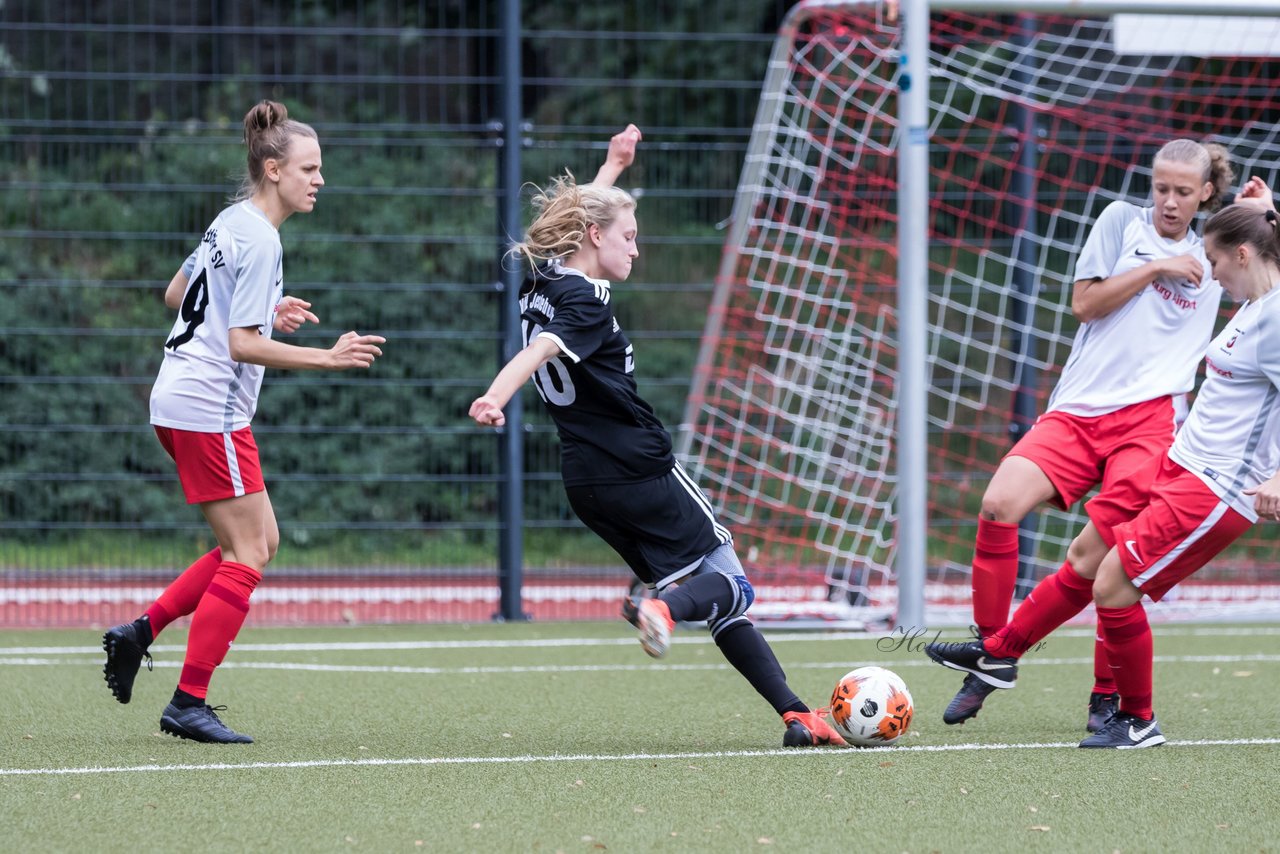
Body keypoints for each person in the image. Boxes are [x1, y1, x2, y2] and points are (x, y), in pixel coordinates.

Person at [469, 126, 847, 747]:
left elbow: (578, 217)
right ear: (596, 238)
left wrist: (612, 167)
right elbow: (540, 352)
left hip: (586, 481)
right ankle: (659, 605)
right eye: (629, 237)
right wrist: (495, 394)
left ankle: (797, 715)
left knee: (718, 599)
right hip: (639, 468)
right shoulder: (585, 301)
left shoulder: (541, 280)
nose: (636, 249)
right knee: (733, 581)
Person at [927, 187, 1280, 748]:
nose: (1210, 274)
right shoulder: (1257, 309)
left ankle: (1135, 718)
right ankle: (998, 655)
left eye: (1214, 260)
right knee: (1088, 557)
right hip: (1180, 466)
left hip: (1216, 489)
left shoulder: (1276, 315)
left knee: (1114, 586)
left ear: (1241, 254)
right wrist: (1264, 205)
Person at [101, 100, 386, 744]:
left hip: (177, 401)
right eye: (309, 169)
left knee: (261, 541)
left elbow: (178, 295)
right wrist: (328, 357)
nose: (319, 180)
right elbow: (240, 345)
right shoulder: (261, 236)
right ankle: (188, 700)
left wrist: (261, 306)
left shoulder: (232, 220)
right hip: (210, 409)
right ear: (274, 168)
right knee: (248, 553)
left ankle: (139, 633)